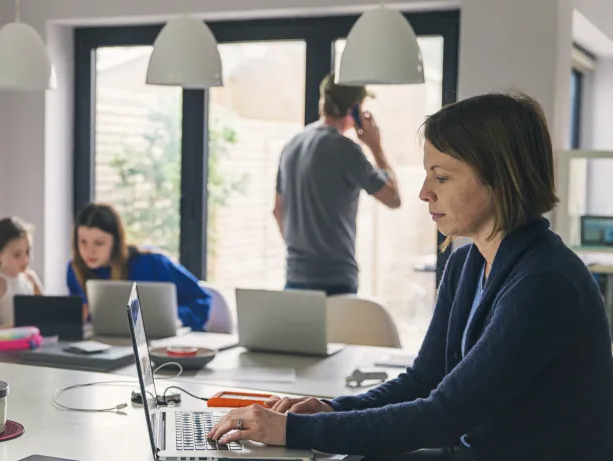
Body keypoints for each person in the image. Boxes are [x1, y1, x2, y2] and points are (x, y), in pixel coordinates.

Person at [208, 92, 613, 460]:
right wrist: (330, 409)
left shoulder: (545, 283)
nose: (424, 192)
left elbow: (443, 415)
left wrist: (293, 430)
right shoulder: (466, 264)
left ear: (500, 178)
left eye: (442, 177)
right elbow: (425, 380)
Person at [274, 72, 401, 296]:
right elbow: (393, 198)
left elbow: (278, 211)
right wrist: (375, 146)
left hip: (294, 278)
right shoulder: (345, 149)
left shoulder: (291, 145)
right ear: (355, 109)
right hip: (336, 282)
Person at [66, 203, 211, 331]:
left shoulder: (151, 262)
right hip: (110, 344)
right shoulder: (75, 270)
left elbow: (201, 300)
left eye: (99, 243)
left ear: (116, 242)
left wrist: (174, 319)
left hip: (164, 344)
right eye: (83, 241)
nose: (89, 251)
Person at [0, 217, 43, 331]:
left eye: (28, 251)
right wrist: (18, 327)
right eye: (17, 255)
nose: (25, 259)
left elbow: (46, 312)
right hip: (6, 341)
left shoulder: (31, 278)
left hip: (31, 340)